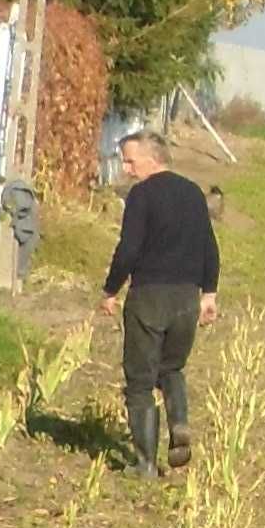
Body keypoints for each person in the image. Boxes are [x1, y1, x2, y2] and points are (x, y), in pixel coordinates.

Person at [100, 120, 221, 470]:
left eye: (129, 161)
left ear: (152, 159)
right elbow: (208, 247)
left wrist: (111, 289)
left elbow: (129, 250)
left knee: (139, 381)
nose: (125, 168)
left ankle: (144, 465)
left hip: (149, 297)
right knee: (172, 368)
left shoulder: (142, 195)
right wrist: (208, 294)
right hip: (186, 298)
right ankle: (179, 423)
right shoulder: (194, 193)